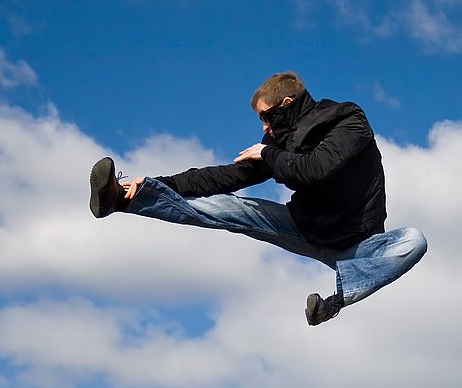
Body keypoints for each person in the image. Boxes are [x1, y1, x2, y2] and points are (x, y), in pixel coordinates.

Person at [89, 71, 427, 325]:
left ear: (287, 106)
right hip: (305, 229)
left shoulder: (349, 121)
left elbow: (314, 170)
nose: (264, 127)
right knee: (230, 209)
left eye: (266, 117)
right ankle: (121, 200)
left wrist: (267, 154)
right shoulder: (278, 145)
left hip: (359, 245)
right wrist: (154, 183)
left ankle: (336, 300)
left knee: (413, 240)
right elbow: (223, 177)